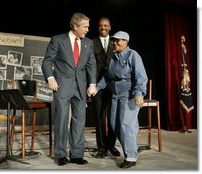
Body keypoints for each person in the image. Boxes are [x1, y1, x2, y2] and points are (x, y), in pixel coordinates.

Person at [41, 13, 97, 166]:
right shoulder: (58, 40)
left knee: (79, 120)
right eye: (85, 27)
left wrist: (92, 84)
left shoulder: (88, 43)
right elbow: (47, 62)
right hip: (62, 86)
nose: (87, 30)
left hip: (81, 87)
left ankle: (77, 154)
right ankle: (60, 154)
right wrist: (50, 78)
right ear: (75, 26)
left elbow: (91, 64)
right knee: (62, 120)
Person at [94, 31, 148, 168]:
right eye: (114, 40)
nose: (115, 42)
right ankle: (132, 146)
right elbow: (107, 76)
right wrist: (97, 87)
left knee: (126, 125)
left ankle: (131, 156)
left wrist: (139, 93)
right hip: (116, 94)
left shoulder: (133, 55)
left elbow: (141, 76)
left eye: (119, 40)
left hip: (130, 94)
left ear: (126, 42)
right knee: (114, 124)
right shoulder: (114, 57)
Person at [91, 17, 120, 158]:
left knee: (113, 116)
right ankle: (101, 148)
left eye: (106, 25)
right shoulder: (92, 43)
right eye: (101, 25)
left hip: (113, 84)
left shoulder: (116, 42)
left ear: (110, 27)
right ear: (98, 27)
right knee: (99, 117)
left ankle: (111, 145)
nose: (103, 28)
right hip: (97, 85)